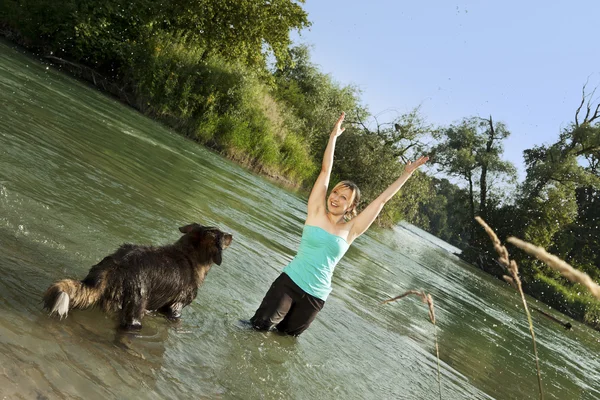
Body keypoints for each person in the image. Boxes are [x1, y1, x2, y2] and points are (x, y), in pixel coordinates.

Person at [250, 112, 429, 336]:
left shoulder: (351, 229)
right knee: (257, 328)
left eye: (344, 197)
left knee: (284, 343)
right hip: (289, 283)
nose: (335, 198)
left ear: (351, 207)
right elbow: (326, 171)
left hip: (315, 297)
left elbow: (381, 201)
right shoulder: (315, 211)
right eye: (335, 192)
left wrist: (406, 174)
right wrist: (333, 137)